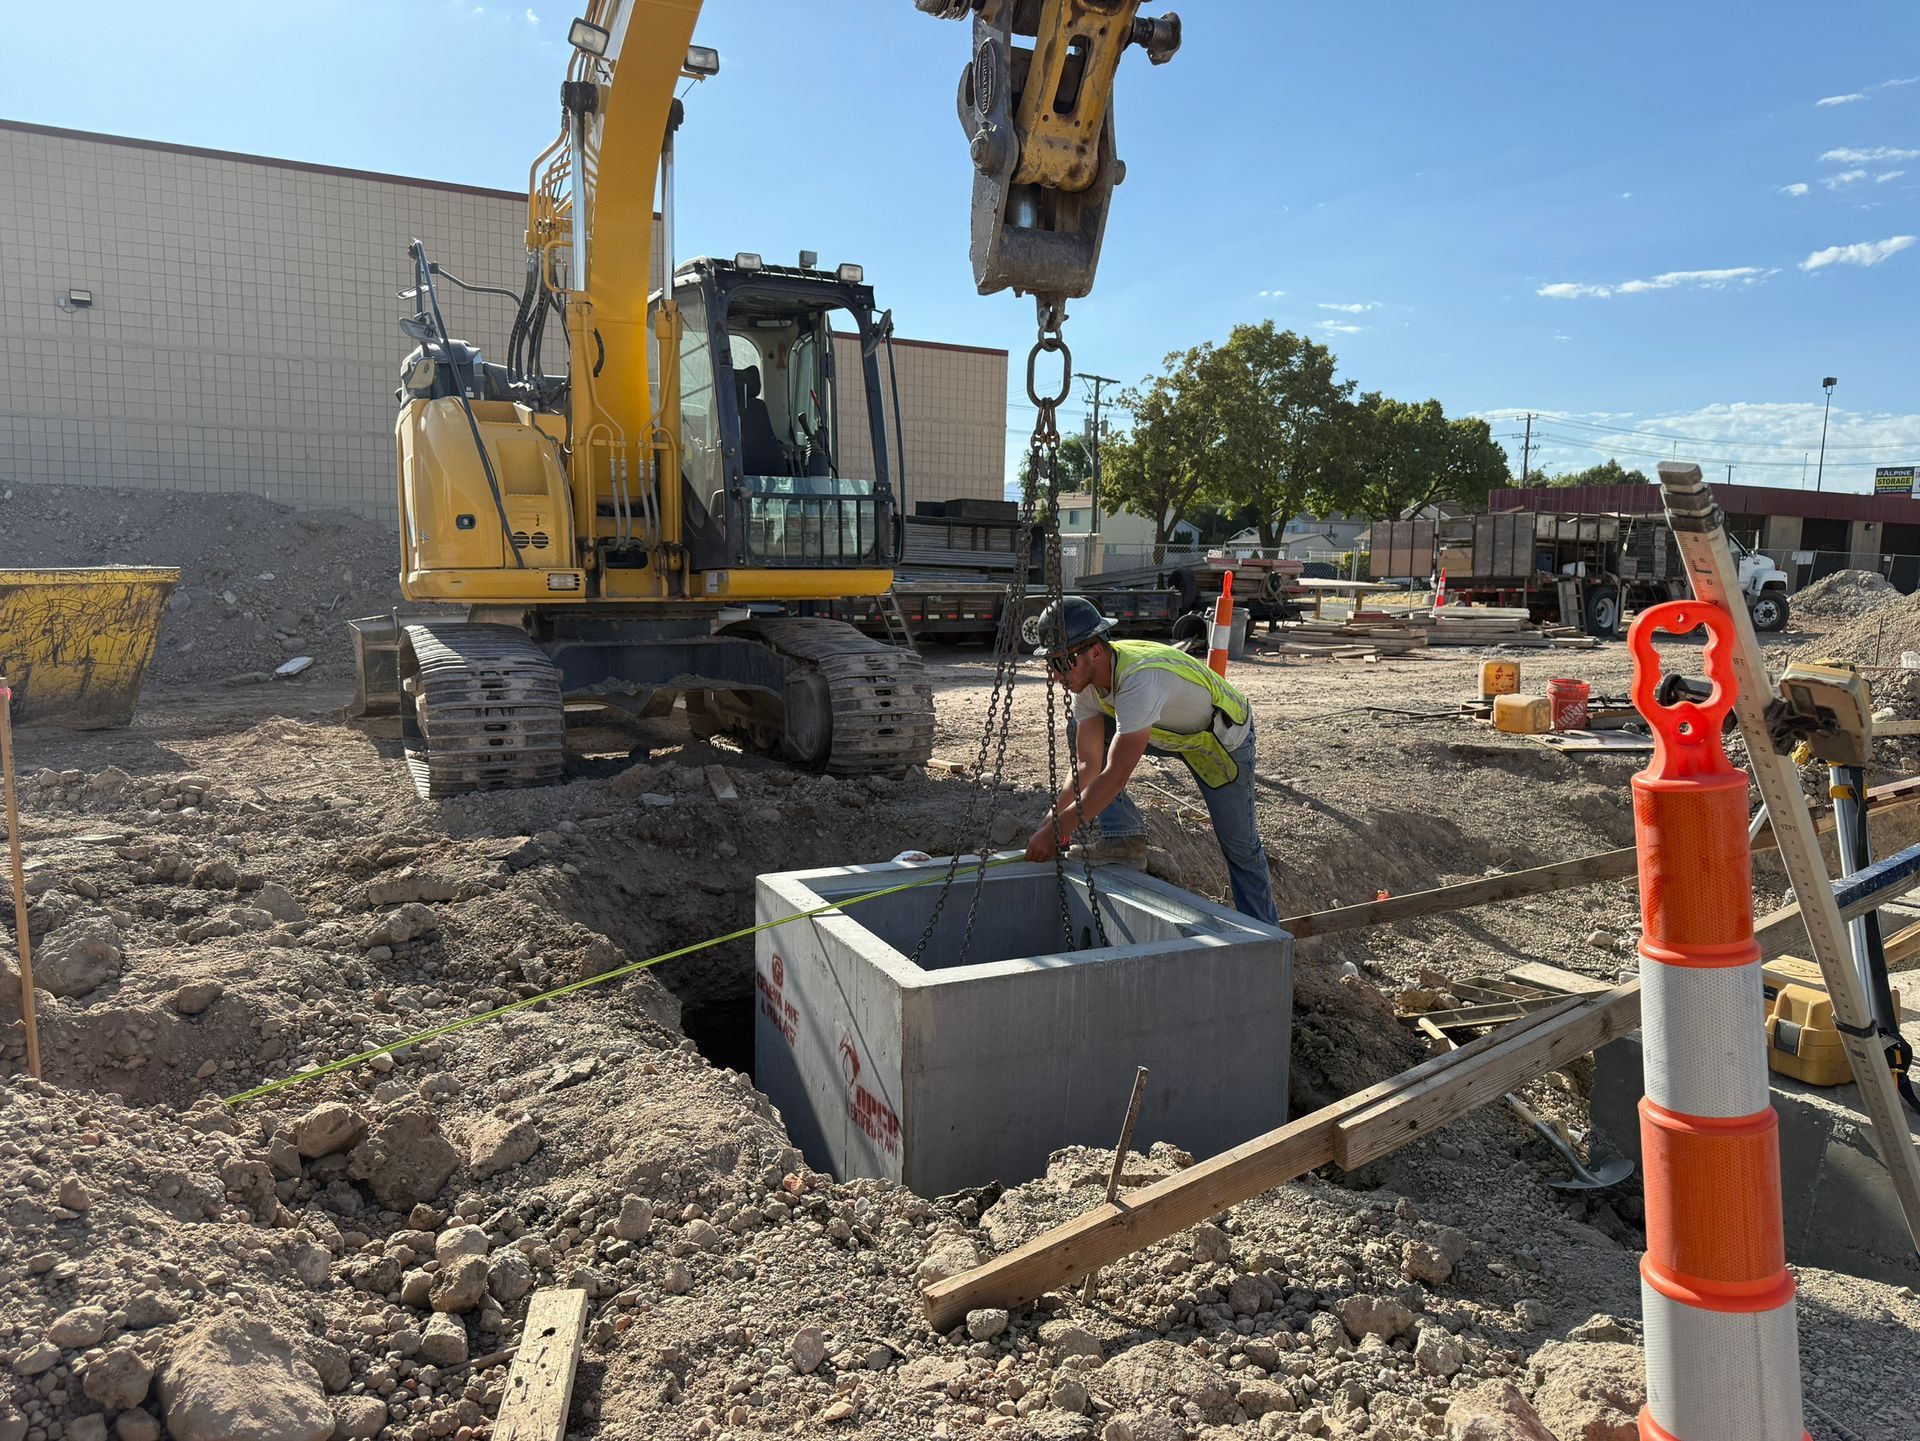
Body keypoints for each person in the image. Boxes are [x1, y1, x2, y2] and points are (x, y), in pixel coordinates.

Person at [1023, 596, 1279, 926]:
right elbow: (1088, 764)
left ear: (1095, 652)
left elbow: (1114, 775)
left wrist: (1060, 828)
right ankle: (1124, 838)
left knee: (1240, 846)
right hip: (1164, 729)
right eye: (1051, 665)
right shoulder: (1086, 681)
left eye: (1061, 664)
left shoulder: (1139, 681)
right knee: (1081, 729)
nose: (1057, 676)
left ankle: (1264, 931)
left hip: (1221, 740)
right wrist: (1052, 822)